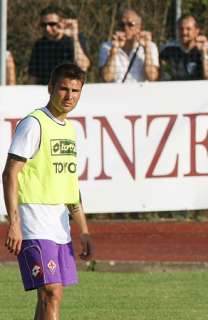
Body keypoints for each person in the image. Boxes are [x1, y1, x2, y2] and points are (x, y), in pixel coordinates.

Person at [2, 63, 93, 320]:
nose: (69, 96)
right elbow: (10, 172)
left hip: (59, 224)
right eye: (63, 88)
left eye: (75, 90)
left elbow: (71, 185)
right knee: (50, 291)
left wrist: (83, 230)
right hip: (33, 220)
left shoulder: (70, 130)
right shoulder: (34, 124)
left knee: (50, 296)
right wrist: (14, 223)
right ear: (50, 88)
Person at [28, 5, 90, 85]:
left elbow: (83, 66)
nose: (47, 28)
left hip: (70, 90)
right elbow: (33, 77)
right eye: (43, 25)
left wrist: (74, 37)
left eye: (52, 24)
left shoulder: (77, 40)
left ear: (62, 23)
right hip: (45, 90)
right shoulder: (39, 45)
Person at [99, 9, 159, 83]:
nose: (125, 28)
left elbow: (152, 77)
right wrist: (114, 51)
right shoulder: (107, 46)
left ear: (139, 27)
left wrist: (147, 49)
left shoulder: (151, 46)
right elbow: (107, 78)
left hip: (142, 92)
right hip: (116, 92)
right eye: (122, 24)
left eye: (130, 24)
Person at [160, 14, 208, 81]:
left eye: (188, 29)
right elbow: (156, 74)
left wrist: (204, 53)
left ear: (197, 31)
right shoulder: (169, 47)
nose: (184, 32)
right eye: (181, 29)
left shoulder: (206, 46)